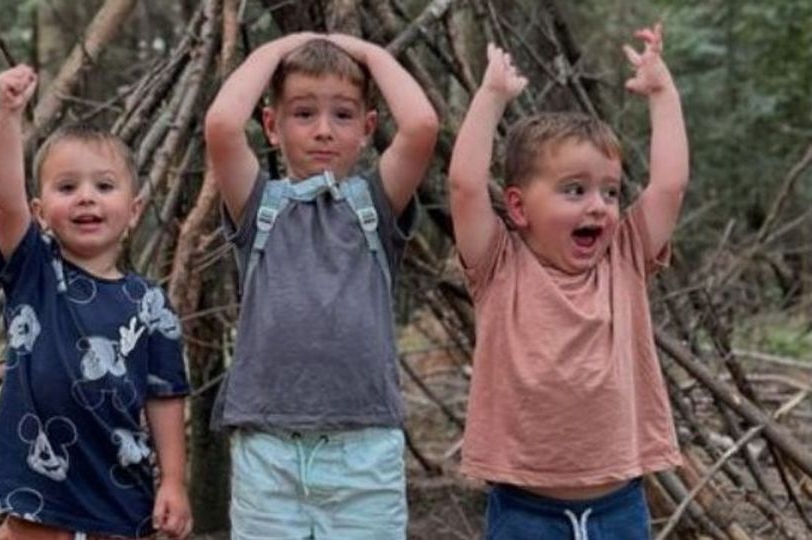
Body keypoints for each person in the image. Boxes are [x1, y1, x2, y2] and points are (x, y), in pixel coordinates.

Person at [448, 24, 688, 539]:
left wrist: (663, 93)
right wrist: (490, 97)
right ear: (517, 206)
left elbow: (669, 185)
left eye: (609, 192)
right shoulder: (499, 267)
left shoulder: (623, 258)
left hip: (619, 507)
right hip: (524, 511)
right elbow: (466, 188)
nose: (598, 206)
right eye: (574, 190)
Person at [204, 32, 438, 539]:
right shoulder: (258, 205)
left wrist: (371, 53)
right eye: (303, 113)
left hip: (365, 447)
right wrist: (280, 48)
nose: (324, 131)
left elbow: (421, 127)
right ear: (272, 125)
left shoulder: (374, 206)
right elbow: (221, 126)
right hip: (268, 448)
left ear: (367, 129)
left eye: (344, 115)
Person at [0, 64, 193, 540]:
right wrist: (8, 116)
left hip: (116, 478)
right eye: (67, 187)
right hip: (35, 476)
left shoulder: (150, 303)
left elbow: (165, 394)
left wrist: (174, 481)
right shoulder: (35, 269)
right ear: (40, 212)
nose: (86, 199)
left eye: (104, 186)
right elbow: (4, 203)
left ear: (134, 210)